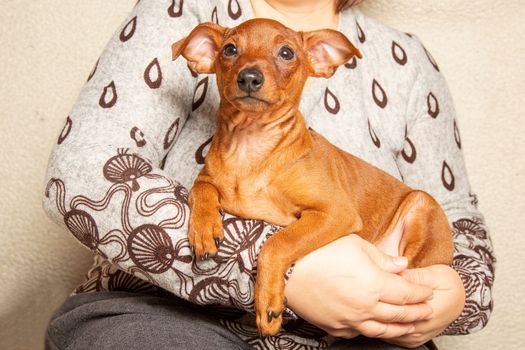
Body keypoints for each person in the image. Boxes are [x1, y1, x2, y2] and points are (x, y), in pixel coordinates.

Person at [43, 0, 495, 349]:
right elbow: (83, 170)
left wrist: (452, 294)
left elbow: (455, 217)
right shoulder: (181, 10)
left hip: (362, 333)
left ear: (323, 61)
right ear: (206, 56)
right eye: (234, 53)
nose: (254, 72)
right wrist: (278, 266)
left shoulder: (407, 61)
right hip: (165, 313)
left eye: (283, 56)